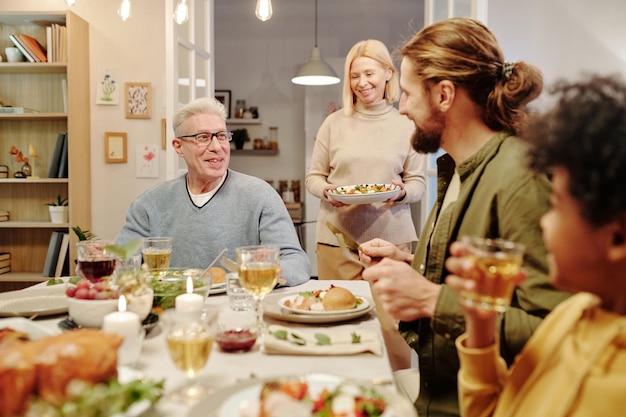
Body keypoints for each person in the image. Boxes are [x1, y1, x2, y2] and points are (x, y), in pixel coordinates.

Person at [360, 18, 572, 416]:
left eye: (406, 94)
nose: (401, 107)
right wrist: (411, 265)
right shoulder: (458, 168)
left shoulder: (520, 179)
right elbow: (490, 284)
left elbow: (561, 331)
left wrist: (430, 298)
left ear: (444, 94)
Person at [445, 74, 626, 417]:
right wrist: (481, 329)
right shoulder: (571, 315)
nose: (543, 220)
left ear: (616, 237)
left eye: (556, 205)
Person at [116, 97, 311, 287]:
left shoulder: (261, 195)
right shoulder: (149, 204)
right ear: (179, 147)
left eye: (221, 136)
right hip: (172, 310)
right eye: (203, 137)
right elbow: (121, 264)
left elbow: (297, 261)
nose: (217, 147)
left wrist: (273, 269)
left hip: (240, 310)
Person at [305, 39, 426, 281]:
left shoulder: (408, 124)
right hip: (337, 239)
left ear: (389, 73)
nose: (362, 83)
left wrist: (402, 193)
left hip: (392, 242)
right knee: (336, 312)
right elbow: (313, 177)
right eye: (354, 76)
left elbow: (418, 183)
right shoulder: (333, 123)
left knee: (390, 317)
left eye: (369, 73)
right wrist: (327, 190)